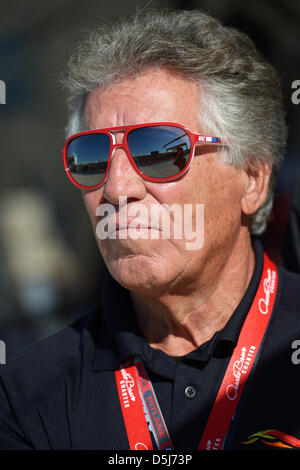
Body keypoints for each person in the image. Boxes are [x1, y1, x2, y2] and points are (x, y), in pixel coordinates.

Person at [1, 9, 300, 451]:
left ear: (252, 179)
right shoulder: (29, 391)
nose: (117, 188)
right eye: (93, 157)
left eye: (160, 151)